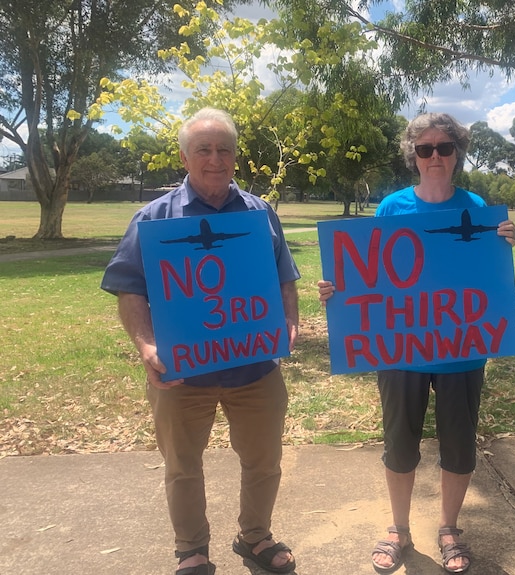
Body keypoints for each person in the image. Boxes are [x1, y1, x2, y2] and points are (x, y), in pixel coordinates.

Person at [101, 108, 300, 575]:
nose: (215, 159)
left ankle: (255, 537)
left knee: (265, 461)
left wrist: (289, 319)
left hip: (255, 369)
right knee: (183, 466)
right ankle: (190, 548)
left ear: (235, 156)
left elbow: (283, 275)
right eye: (204, 150)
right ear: (185, 156)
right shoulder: (154, 218)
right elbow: (129, 287)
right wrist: (146, 346)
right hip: (182, 373)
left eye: (224, 149)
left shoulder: (259, 213)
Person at [317, 112, 515, 574]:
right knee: (400, 442)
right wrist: (337, 288)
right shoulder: (391, 209)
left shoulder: (477, 207)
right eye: (424, 149)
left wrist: (504, 240)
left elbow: (490, 272)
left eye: (444, 147)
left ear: (456, 154)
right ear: (413, 155)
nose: (434, 156)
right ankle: (399, 529)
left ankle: (449, 527)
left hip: (462, 350)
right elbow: (371, 272)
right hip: (400, 350)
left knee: (459, 445)